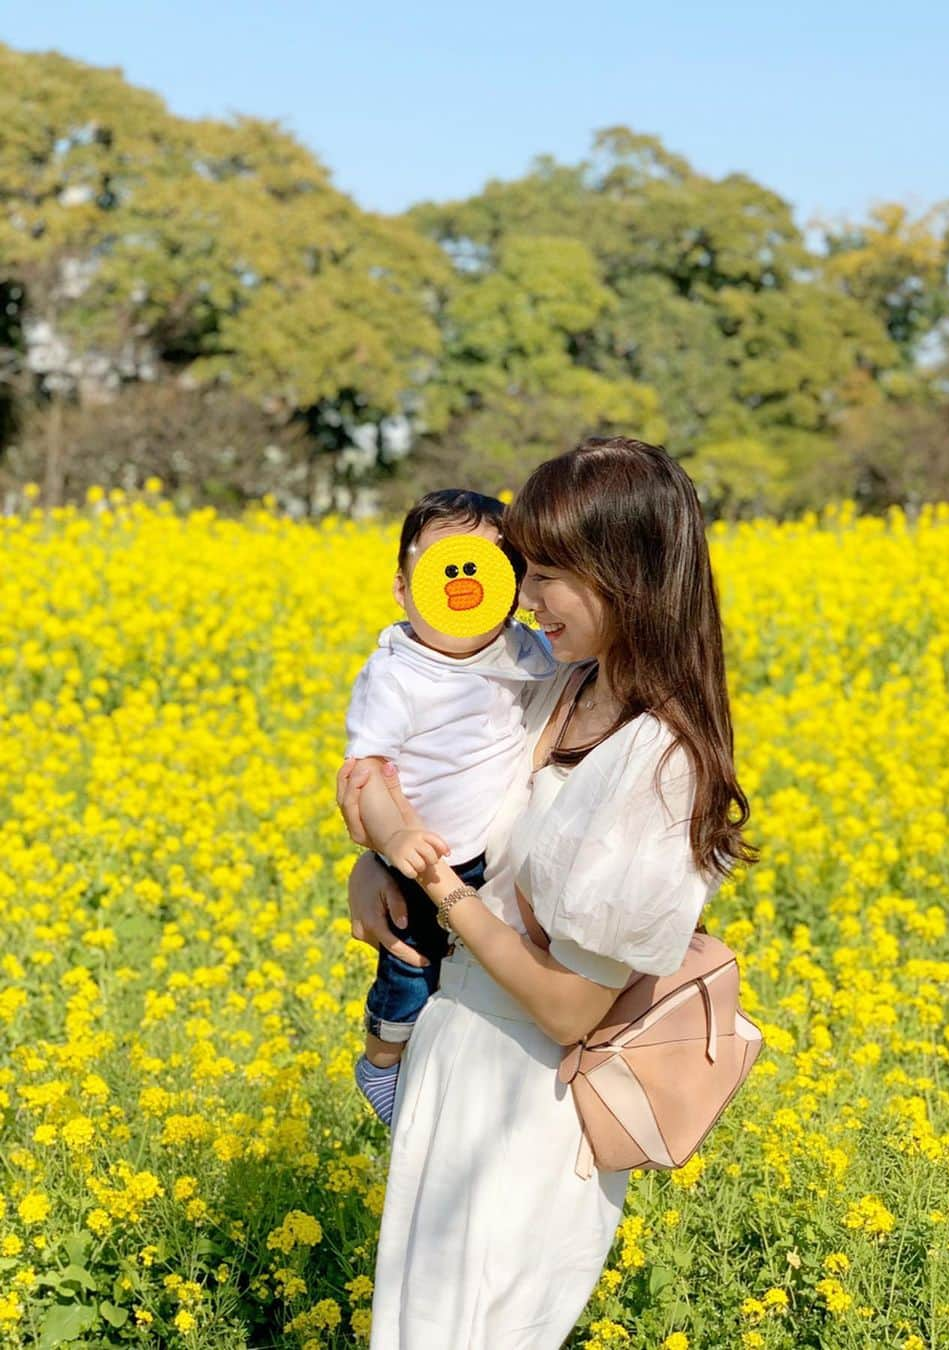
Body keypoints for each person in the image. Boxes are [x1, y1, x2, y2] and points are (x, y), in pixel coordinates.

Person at [337, 437, 757, 1349]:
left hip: (533, 1110)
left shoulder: (662, 765)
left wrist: (443, 893)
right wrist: (376, 857)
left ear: (629, 574)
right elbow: (441, 789)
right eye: (526, 568)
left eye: (553, 572)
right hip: (455, 1065)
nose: (525, 597)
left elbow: (572, 1007)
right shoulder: (558, 688)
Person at [344, 489, 555, 1125]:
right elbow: (367, 776)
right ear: (404, 589)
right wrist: (394, 840)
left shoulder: (522, 649)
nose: (464, 581)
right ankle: (380, 1064)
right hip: (424, 858)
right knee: (409, 974)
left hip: (491, 868)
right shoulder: (397, 674)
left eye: (488, 566)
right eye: (444, 565)